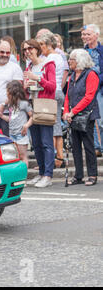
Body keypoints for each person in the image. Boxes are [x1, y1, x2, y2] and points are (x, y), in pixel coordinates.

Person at [63, 49, 100, 186]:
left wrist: (72, 112)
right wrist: (66, 112)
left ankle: (92, 175)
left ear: (79, 61)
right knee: (75, 147)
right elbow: (68, 96)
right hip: (73, 116)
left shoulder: (91, 74)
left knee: (89, 146)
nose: (69, 61)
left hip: (87, 115)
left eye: (71, 59)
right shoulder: (72, 75)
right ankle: (78, 176)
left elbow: (89, 97)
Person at [22, 39, 56, 188]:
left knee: (46, 142)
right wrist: (25, 86)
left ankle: (48, 175)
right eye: (24, 49)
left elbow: (53, 87)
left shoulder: (48, 64)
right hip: (32, 106)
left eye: (30, 48)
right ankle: (42, 173)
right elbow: (25, 91)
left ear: (37, 48)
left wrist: (37, 78)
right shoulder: (28, 66)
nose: (27, 51)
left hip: (44, 106)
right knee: (36, 143)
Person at [37, 32, 68, 169]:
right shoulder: (58, 56)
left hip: (52, 93)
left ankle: (57, 157)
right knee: (55, 125)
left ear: (49, 45)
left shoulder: (51, 58)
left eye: (42, 45)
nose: (40, 48)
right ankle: (57, 156)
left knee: (53, 126)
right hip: (58, 92)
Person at [0, 81, 33, 167]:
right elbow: (11, 119)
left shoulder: (24, 104)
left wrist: (26, 125)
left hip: (21, 134)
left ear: (13, 93)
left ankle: (24, 175)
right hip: (12, 134)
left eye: (7, 92)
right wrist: (1, 116)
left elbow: (33, 117)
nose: (6, 94)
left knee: (23, 156)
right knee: (15, 157)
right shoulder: (11, 105)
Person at [81, 24, 103, 158]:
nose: (85, 37)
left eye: (88, 34)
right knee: (91, 119)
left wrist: (96, 82)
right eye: (84, 34)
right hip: (87, 90)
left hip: (100, 89)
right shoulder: (82, 52)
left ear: (96, 35)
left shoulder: (101, 51)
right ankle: (96, 147)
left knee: (101, 121)